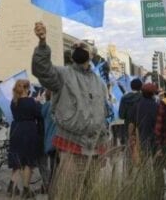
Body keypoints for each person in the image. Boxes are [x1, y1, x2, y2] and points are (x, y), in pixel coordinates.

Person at [31, 22, 109, 199]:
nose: (79, 48)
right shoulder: (63, 74)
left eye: (84, 46)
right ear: (72, 56)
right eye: (75, 47)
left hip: (96, 148)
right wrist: (42, 43)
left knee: (91, 194)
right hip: (71, 146)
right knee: (67, 194)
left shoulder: (99, 82)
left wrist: (105, 142)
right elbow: (42, 70)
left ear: (91, 55)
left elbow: (102, 113)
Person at [7, 79, 42, 199]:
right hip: (28, 131)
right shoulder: (31, 102)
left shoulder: (14, 101)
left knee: (17, 160)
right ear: (26, 89)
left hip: (16, 130)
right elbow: (38, 114)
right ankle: (26, 189)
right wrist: (38, 102)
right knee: (28, 161)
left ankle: (12, 187)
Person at [128, 83, 159, 154]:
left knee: (143, 160)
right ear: (153, 93)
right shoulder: (157, 106)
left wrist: (130, 136)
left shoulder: (136, 105)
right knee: (156, 162)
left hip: (141, 138)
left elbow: (131, 124)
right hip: (155, 139)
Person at [39, 89, 57, 194]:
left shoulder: (45, 107)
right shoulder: (58, 106)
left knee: (52, 165)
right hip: (59, 140)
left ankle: (49, 186)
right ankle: (52, 188)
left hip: (49, 141)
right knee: (56, 167)